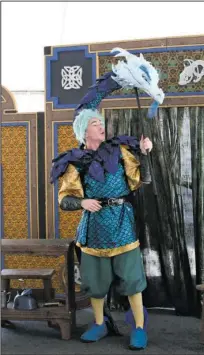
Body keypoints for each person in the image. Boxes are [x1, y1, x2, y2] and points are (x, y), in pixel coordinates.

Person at [50, 108, 152, 349]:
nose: (101, 126)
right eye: (95, 123)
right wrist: (82, 202)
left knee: (132, 279)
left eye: (100, 122)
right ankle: (99, 323)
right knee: (95, 282)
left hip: (121, 224)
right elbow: (64, 200)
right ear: (84, 131)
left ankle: (138, 327)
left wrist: (146, 154)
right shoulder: (75, 161)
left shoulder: (119, 152)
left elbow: (142, 180)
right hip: (93, 228)